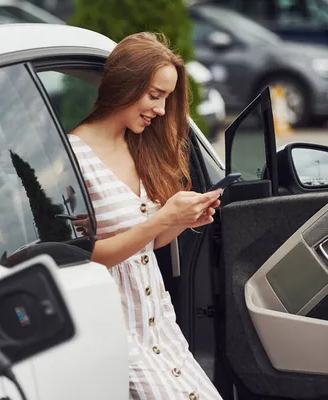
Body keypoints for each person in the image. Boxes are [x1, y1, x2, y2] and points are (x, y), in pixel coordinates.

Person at [68, 32, 224, 400]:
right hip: (118, 334)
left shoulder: (137, 145)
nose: (160, 110)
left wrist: (180, 221)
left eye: (167, 99)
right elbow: (85, 256)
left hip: (159, 329)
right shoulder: (74, 157)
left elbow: (146, 244)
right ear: (124, 84)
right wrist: (163, 217)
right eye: (154, 96)